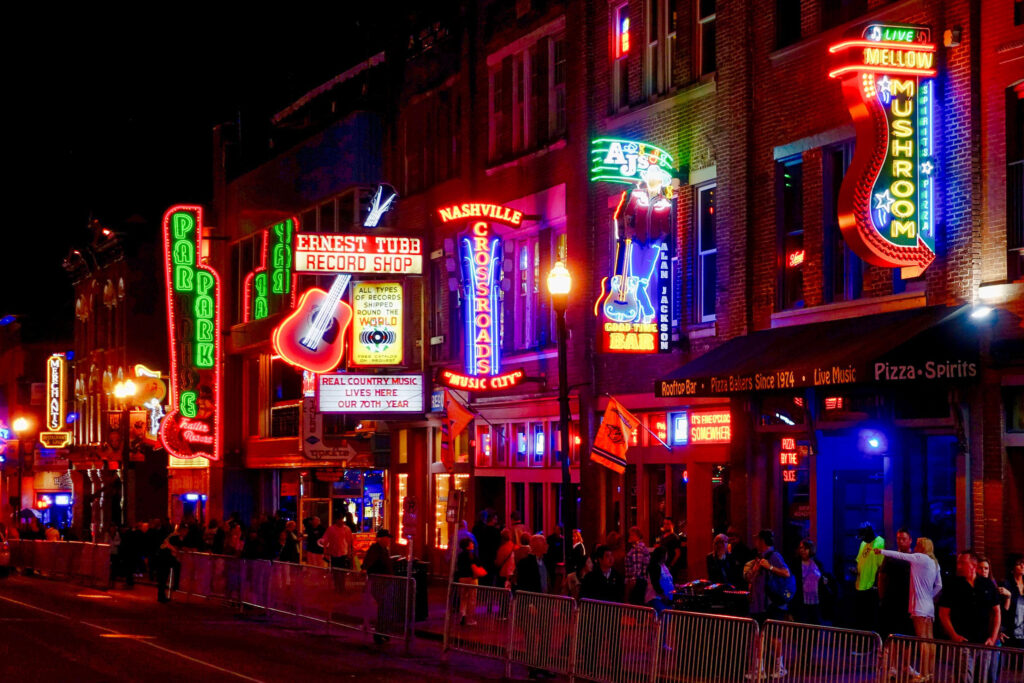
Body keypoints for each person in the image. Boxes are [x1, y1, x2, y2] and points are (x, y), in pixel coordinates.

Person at [876, 537, 943, 681]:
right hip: (929, 606)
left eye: (918, 545)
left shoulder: (919, 558)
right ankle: (930, 672)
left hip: (919, 607)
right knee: (930, 640)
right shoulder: (934, 563)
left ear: (922, 547)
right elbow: (939, 586)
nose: (915, 547)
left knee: (923, 641)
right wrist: (929, 596)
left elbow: (900, 555)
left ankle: (923, 674)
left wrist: (881, 551)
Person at [938, 550, 1002, 682]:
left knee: (982, 678)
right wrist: (953, 635)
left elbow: (997, 612)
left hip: (984, 642)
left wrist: (993, 637)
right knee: (964, 678)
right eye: (958, 563)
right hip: (963, 641)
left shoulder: (987, 584)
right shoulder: (953, 585)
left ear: (973, 565)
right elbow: (943, 613)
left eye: (963, 563)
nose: (959, 566)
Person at [744, 529, 791, 680]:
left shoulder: (774, 556)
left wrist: (770, 567)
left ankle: (780, 667)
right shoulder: (759, 558)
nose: (756, 542)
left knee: (772, 637)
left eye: (758, 539)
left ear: (763, 541)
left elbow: (786, 573)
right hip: (759, 604)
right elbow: (751, 579)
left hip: (770, 604)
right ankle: (760, 669)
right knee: (760, 636)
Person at [362, 529, 396, 644]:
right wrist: (364, 569)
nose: (388, 540)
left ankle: (383, 632)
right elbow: (368, 562)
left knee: (385, 608)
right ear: (380, 538)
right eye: (387, 538)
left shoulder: (383, 549)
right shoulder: (376, 549)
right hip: (379, 582)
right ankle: (380, 633)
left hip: (385, 581)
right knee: (384, 607)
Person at [879, 528, 914, 637]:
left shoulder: (915, 558)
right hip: (891, 599)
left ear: (910, 540)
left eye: (903, 539)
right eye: (899, 539)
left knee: (907, 631)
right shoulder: (891, 556)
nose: (901, 541)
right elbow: (882, 577)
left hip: (908, 600)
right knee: (891, 630)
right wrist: (882, 597)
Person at [853, 522, 885, 633]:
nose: (863, 540)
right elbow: (860, 561)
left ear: (870, 533)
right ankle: (862, 645)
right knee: (861, 619)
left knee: (871, 620)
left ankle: (872, 646)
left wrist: (877, 584)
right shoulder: (863, 543)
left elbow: (882, 566)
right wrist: (855, 570)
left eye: (864, 537)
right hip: (860, 585)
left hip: (872, 587)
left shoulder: (880, 542)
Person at [793, 538, 827, 625]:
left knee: (815, 630)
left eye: (805, 548)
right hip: (801, 604)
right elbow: (791, 585)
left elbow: (823, 579)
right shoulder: (795, 564)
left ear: (811, 549)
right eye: (801, 548)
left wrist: (824, 581)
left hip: (816, 604)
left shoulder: (817, 564)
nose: (803, 550)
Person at [156, 524, 187, 603]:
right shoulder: (174, 536)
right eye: (185, 531)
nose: (186, 533)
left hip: (166, 558)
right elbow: (168, 545)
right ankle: (161, 596)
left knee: (164, 577)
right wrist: (174, 550)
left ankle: (162, 595)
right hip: (164, 558)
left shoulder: (176, 536)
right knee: (163, 577)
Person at [455, 537, 482, 626]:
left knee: (463, 598)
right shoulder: (472, 555)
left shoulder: (460, 555)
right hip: (472, 578)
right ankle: (470, 619)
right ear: (467, 546)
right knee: (472, 599)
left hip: (462, 578)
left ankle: (462, 615)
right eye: (471, 544)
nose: (473, 545)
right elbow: (478, 564)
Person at [473, 510, 502, 587]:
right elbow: (498, 545)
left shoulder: (480, 529)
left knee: (483, 578)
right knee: (490, 578)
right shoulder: (495, 531)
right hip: (492, 557)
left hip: (482, 556)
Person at [1000, 556, 1024, 649]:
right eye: (1019, 564)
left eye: (1023, 563)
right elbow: (1003, 611)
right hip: (1011, 633)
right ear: (1012, 568)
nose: (1022, 565)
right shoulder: (1005, 584)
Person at [644, 546, 675, 615]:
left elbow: (667, 580)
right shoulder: (654, 566)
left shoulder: (663, 566)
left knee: (666, 619)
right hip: (656, 597)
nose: (667, 556)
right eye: (666, 554)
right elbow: (655, 583)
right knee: (662, 618)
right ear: (662, 555)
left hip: (666, 598)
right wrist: (663, 595)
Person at [625, 526, 652, 605]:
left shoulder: (637, 549)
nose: (629, 537)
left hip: (637, 584)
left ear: (637, 536)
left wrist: (632, 584)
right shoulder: (641, 547)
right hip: (642, 582)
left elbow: (637, 569)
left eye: (631, 535)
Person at [658, 517, 684, 582]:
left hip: (670, 568)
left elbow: (678, 554)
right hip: (662, 567)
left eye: (667, 524)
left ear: (672, 525)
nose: (665, 526)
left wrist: (671, 566)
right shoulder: (662, 537)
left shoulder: (674, 537)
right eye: (664, 524)